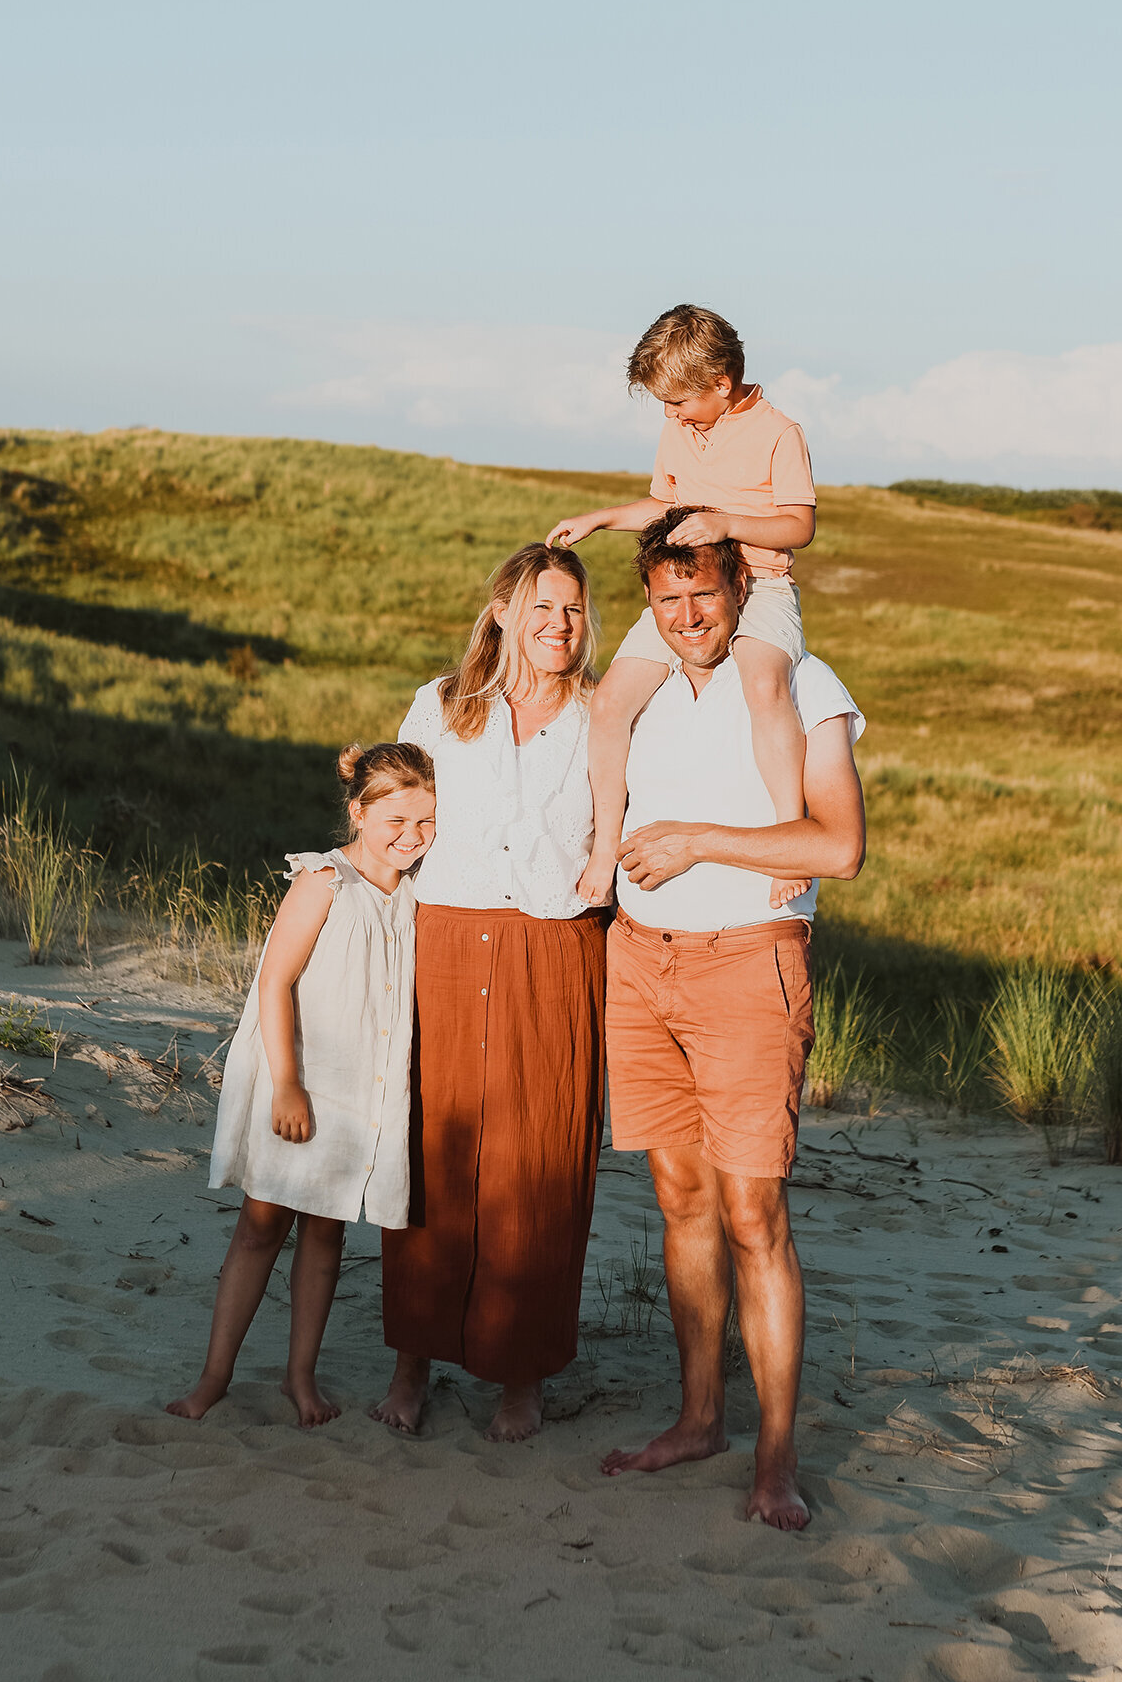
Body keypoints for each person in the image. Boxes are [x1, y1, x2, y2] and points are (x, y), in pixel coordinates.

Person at [599, 510, 866, 1529]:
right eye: (666, 601)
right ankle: (698, 1418)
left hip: (749, 971)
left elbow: (836, 847)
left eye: (701, 595)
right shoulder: (646, 690)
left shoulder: (805, 685)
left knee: (754, 1214)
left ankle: (775, 1460)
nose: (686, 616)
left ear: (740, 590)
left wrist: (697, 841)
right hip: (640, 964)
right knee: (677, 1199)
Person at [371, 543, 607, 1444]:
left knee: (537, 1162)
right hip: (444, 943)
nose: (560, 625)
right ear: (503, 611)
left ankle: (522, 1370)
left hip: (555, 946)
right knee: (434, 1153)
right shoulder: (441, 705)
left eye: (575, 611)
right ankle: (413, 1360)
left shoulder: (600, 715)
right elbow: (396, 809)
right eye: (543, 607)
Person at [167, 742, 437, 1428]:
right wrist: (287, 1085)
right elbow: (275, 981)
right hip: (302, 1081)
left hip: (358, 1093)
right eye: (395, 821)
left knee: (325, 1236)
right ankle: (214, 1376)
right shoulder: (325, 881)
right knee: (260, 1227)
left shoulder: (415, 899)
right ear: (358, 812)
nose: (410, 837)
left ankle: (299, 1377)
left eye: (425, 824)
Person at [546, 303, 816, 911]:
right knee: (612, 700)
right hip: (691, 581)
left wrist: (726, 521)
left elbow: (798, 526)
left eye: (680, 403)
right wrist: (601, 519)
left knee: (765, 685)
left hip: (759, 582)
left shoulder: (779, 433)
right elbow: (662, 506)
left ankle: (787, 838)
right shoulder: (679, 429)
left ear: (722, 385)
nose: (671, 416)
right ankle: (604, 848)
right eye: (665, 405)